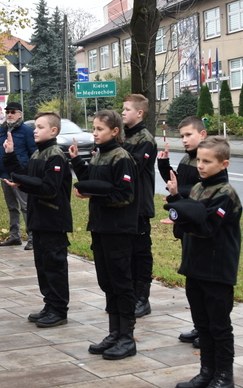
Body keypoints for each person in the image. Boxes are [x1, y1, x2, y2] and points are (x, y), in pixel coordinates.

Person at [165, 136, 243, 388]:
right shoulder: (198, 188)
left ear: (224, 164)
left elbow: (208, 228)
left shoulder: (225, 194)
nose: (200, 165)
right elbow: (185, 224)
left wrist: (182, 217)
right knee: (202, 324)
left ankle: (224, 378)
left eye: (207, 161)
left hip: (217, 269)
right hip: (195, 266)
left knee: (219, 326)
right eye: (199, 160)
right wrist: (177, 201)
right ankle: (207, 372)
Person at [69, 109, 138, 360]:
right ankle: (114, 333)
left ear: (115, 131)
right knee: (107, 282)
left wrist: (94, 195)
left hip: (118, 229)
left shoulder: (122, 158)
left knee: (121, 283)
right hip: (100, 227)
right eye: (94, 128)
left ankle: (127, 338)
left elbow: (124, 195)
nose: (95, 133)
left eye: (100, 129)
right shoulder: (99, 154)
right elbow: (91, 181)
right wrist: (77, 162)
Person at [2, 112, 72, 328]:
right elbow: (25, 176)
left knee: (55, 266)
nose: (35, 130)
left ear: (53, 131)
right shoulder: (38, 154)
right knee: (43, 266)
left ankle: (59, 310)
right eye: (35, 127)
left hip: (53, 220)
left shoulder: (56, 156)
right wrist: (10, 155)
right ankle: (49, 305)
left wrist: (21, 180)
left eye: (40, 127)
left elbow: (49, 188)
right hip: (39, 219)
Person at [158, 116, 208, 346]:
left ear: (203, 134)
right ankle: (199, 327)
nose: (185, 140)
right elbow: (177, 184)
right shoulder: (188, 158)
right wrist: (164, 165)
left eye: (189, 135)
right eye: (182, 136)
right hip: (186, 225)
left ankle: (207, 331)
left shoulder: (207, 159)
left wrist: (178, 194)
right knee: (192, 284)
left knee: (203, 284)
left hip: (200, 226)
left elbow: (199, 191)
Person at [121, 94, 156, 319]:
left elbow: (132, 168)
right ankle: (130, 295)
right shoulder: (123, 135)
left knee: (141, 253)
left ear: (139, 113)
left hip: (140, 204)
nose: (123, 112)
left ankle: (142, 298)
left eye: (127, 109)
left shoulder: (145, 139)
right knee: (128, 252)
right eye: (123, 109)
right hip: (125, 203)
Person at [0, 102, 35, 249]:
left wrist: (26, 172)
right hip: (4, 173)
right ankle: (14, 236)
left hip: (20, 174)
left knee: (26, 206)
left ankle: (32, 237)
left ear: (20, 114)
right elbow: (0, 151)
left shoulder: (27, 131)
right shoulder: (2, 130)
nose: (10, 115)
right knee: (12, 207)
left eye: (13, 112)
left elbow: (33, 153)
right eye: (8, 112)